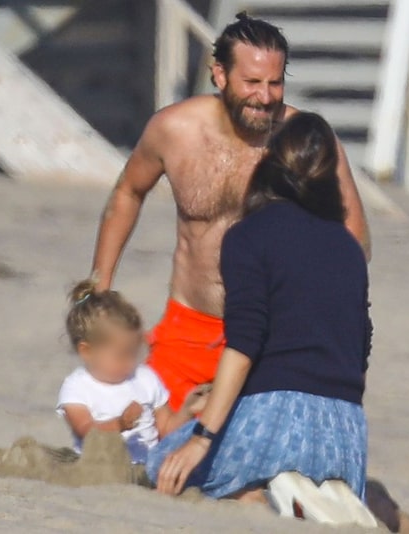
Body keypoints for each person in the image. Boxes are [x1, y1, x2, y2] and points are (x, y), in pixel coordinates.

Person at [90, 12, 372, 412]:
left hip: (272, 338)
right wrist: (99, 287)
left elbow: (353, 238)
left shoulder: (304, 142)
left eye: (275, 82)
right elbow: (128, 193)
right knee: (142, 447)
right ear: (219, 75)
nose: (266, 96)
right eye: (252, 82)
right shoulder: (174, 129)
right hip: (189, 327)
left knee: (241, 461)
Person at [146, 112, 372, 513]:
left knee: (160, 465)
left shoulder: (248, 236)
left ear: (270, 165)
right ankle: (315, 492)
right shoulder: (349, 248)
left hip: (277, 420)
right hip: (346, 435)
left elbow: (245, 341)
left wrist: (201, 436)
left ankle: (259, 496)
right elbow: (360, 348)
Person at [56, 280, 209, 465]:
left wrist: (187, 411)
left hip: (147, 466)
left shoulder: (145, 378)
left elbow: (166, 430)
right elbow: (86, 430)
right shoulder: (77, 386)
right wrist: (120, 424)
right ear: (87, 351)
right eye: (122, 355)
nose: (130, 362)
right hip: (100, 467)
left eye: (134, 353)